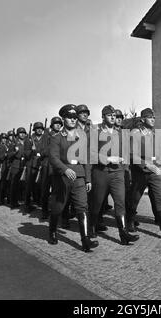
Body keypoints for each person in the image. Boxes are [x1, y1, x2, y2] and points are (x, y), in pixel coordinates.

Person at [49, 104, 98, 252]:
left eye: (74, 118)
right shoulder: (57, 137)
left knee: (82, 207)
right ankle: (52, 230)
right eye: (69, 117)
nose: (72, 120)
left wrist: (88, 178)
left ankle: (85, 240)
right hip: (62, 177)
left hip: (79, 176)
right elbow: (53, 158)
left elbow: (86, 159)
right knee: (58, 207)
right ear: (63, 119)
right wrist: (65, 169)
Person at [90, 105, 139, 245]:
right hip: (101, 173)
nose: (112, 117)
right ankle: (92, 226)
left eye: (114, 115)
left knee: (120, 202)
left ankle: (123, 234)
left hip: (118, 173)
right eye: (109, 115)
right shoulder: (95, 131)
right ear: (103, 117)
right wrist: (107, 159)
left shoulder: (121, 133)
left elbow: (126, 151)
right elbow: (91, 153)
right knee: (97, 202)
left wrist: (124, 167)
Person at [127, 108, 161, 239]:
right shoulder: (135, 133)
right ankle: (130, 220)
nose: (153, 119)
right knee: (135, 198)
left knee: (158, 198)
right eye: (150, 117)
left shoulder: (156, 134)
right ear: (143, 119)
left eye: (154, 117)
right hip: (140, 171)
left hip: (155, 172)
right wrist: (146, 165)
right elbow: (132, 154)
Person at [40, 116, 63, 219]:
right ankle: (44, 211)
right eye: (56, 124)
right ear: (52, 125)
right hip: (47, 165)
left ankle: (55, 211)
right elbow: (42, 152)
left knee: (57, 190)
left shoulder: (62, 135)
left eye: (59, 124)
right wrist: (53, 146)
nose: (58, 125)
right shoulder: (46, 136)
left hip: (57, 166)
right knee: (45, 189)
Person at [24, 122, 45, 213]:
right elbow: (26, 154)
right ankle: (27, 205)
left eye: (41, 128)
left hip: (41, 164)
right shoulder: (29, 139)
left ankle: (39, 202)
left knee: (41, 185)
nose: (39, 130)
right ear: (34, 130)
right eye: (37, 128)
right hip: (31, 165)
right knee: (29, 185)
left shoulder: (45, 139)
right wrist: (32, 151)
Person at [8, 127, 27, 209]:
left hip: (23, 165)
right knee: (14, 185)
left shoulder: (26, 143)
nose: (22, 134)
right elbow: (9, 155)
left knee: (21, 185)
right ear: (18, 135)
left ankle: (18, 200)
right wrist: (15, 151)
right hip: (15, 166)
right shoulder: (14, 144)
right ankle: (12, 202)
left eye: (23, 133)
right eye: (20, 133)